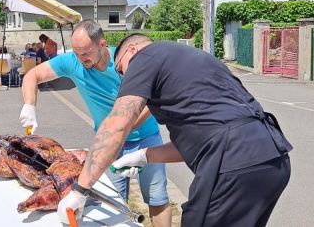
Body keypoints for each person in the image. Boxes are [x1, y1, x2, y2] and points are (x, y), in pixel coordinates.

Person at [58, 33, 292, 227]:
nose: (124, 77)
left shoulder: (145, 57)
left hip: (232, 161)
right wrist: (144, 156)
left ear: (131, 51)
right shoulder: (195, 60)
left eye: (121, 70)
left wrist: (80, 191)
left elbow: (116, 125)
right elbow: (201, 139)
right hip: (273, 158)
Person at [20, 20, 171, 227]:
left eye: (86, 53)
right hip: (108, 145)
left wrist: (124, 129)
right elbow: (32, 75)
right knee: (112, 203)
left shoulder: (124, 62)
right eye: (77, 53)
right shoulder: (72, 61)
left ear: (102, 45)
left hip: (146, 139)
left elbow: (152, 100)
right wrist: (29, 105)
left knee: (157, 199)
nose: (81, 59)